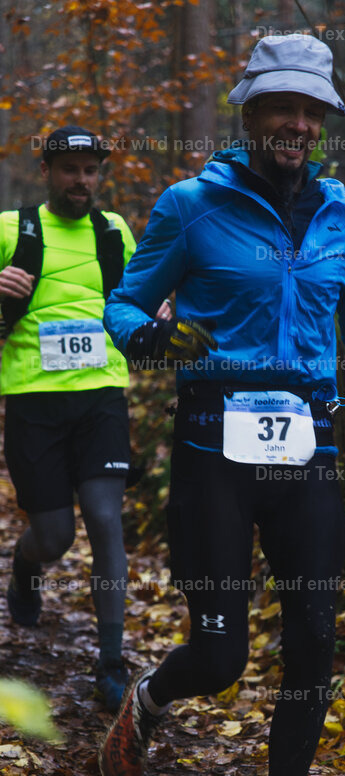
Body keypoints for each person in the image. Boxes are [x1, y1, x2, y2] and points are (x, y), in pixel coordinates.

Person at [99, 34, 345, 776]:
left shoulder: (344, 217)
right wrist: (154, 337)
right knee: (222, 654)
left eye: (311, 110)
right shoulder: (190, 205)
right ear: (249, 112)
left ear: (322, 124)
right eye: (281, 106)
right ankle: (152, 696)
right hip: (214, 448)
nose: (295, 122)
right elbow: (122, 303)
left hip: (311, 448)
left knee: (314, 650)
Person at [0, 126, 169, 711]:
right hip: (33, 403)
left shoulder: (112, 230)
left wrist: (158, 309)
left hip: (101, 396)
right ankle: (25, 568)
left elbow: (132, 297)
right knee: (55, 535)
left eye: (91, 169)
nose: (82, 180)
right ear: (46, 171)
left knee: (104, 518)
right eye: (70, 169)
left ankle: (111, 663)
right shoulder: (10, 229)